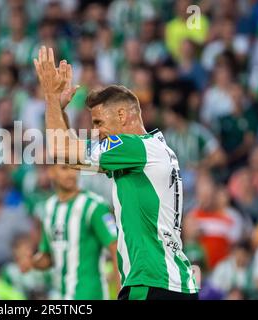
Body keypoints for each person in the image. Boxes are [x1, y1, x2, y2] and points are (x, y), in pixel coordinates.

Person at [33, 46, 198, 300]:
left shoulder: (133, 148)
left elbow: (61, 150)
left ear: (122, 115)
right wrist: (61, 112)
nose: (97, 132)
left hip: (150, 284)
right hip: (176, 285)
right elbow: (73, 156)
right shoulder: (152, 151)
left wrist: (50, 99)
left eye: (98, 122)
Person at [32, 163, 119, 300]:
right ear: (51, 172)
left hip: (90, 295)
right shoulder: (49, 208)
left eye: (74, 168)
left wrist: (120, 292)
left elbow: (116, 248)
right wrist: (33, 262)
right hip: (61, 294)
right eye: (64, 168)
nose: (71, 174)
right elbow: (49, 256)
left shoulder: (94, 206)